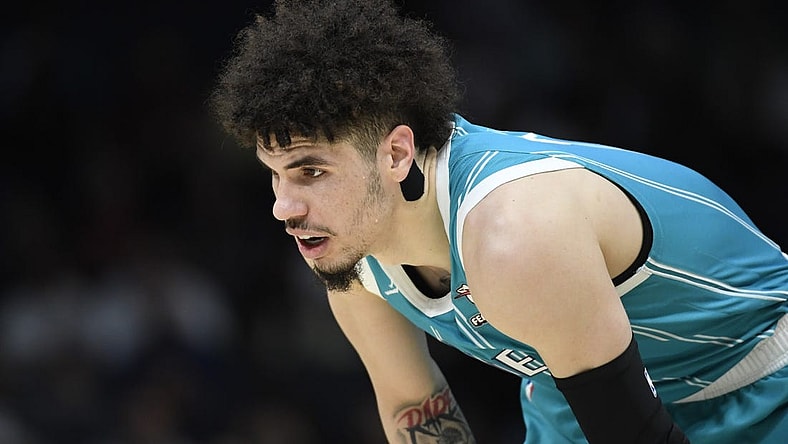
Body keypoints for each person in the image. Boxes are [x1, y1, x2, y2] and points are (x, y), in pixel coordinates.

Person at [209, 0, 788, 442]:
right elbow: (416, 409)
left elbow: (632, 434)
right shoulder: (348, 248)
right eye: (275, 174)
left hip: (756, 386)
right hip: (579, 399)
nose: (284, 208)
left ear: (396, 154)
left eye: (310, 173)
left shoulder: (513, 234)